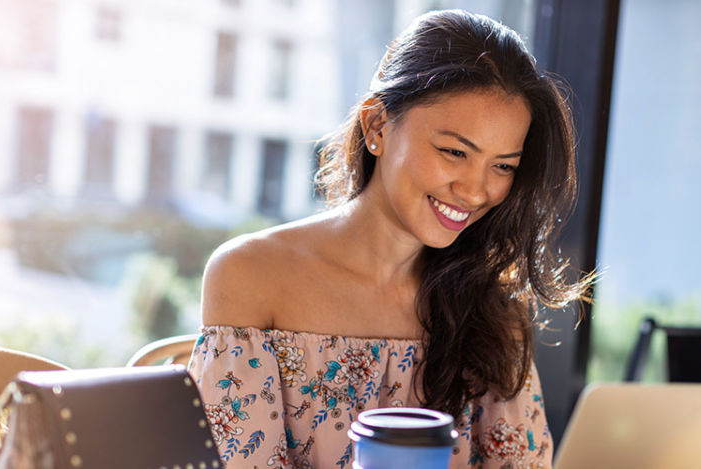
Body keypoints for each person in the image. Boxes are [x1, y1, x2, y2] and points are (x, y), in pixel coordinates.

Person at [188, 9, 594, 469]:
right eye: (454, 152)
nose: (478, 190)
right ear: (377, 126)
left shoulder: (490, 305)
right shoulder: (251, 276)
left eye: (503, 165)